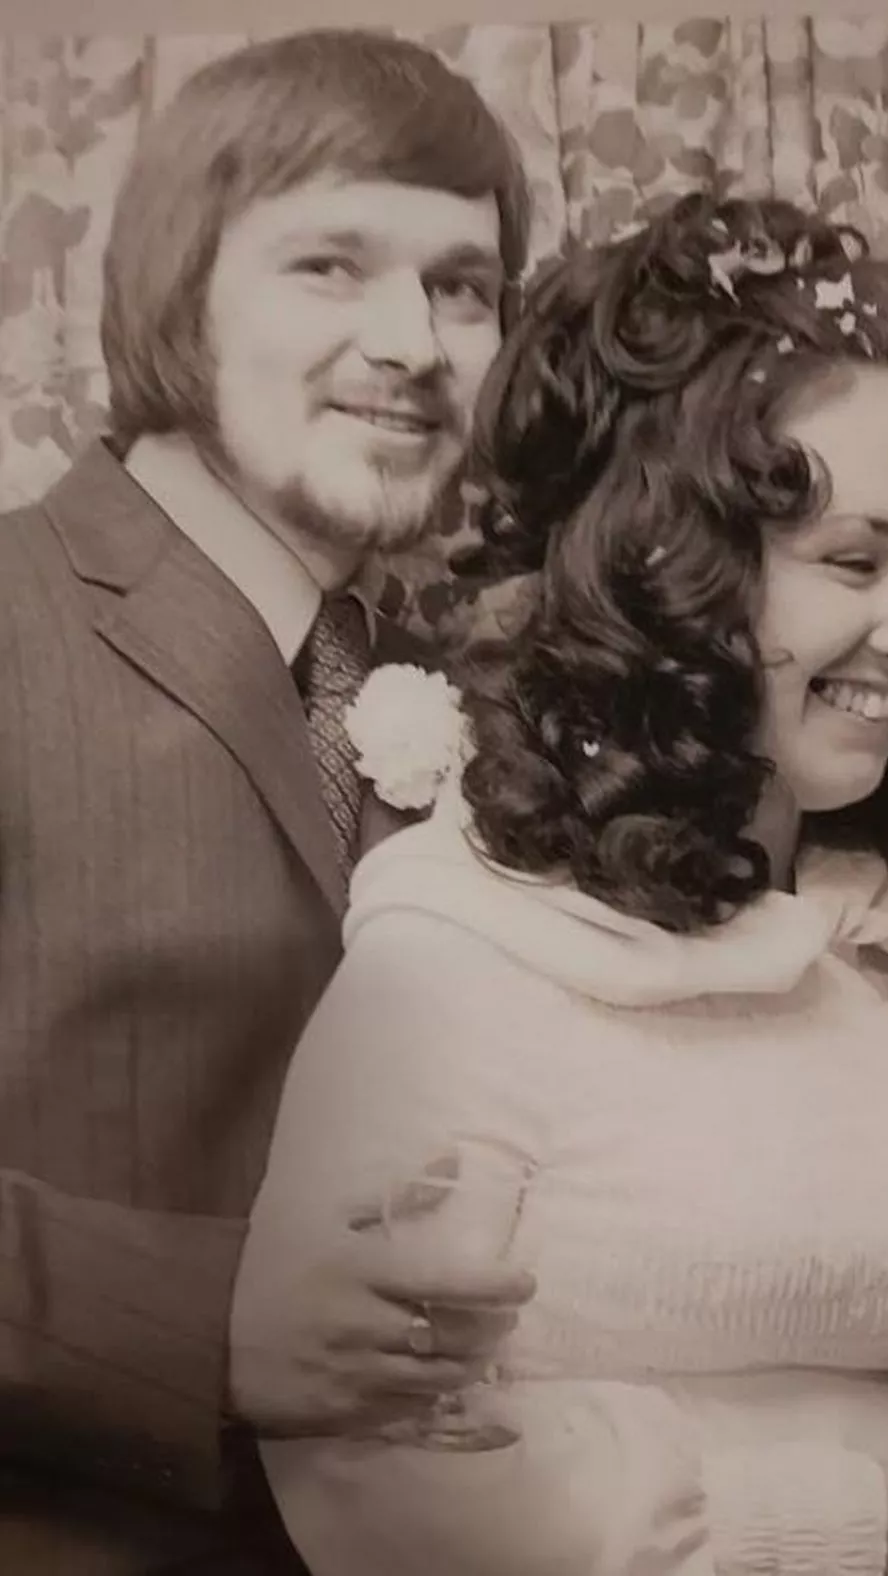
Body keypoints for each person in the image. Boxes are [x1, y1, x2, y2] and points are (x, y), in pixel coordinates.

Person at [239, 192, 888, 1575]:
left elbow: (839, 1305)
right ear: (670, 575)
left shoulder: (872, 926)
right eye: (854, 560)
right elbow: (369, 1487)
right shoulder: (451, 960)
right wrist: (878, 1519)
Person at [0, 28, 537, 1576]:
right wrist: (197, 1324)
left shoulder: (476, 682)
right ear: (178, 295)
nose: (418, 343)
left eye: (462, 287)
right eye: (329, 267)